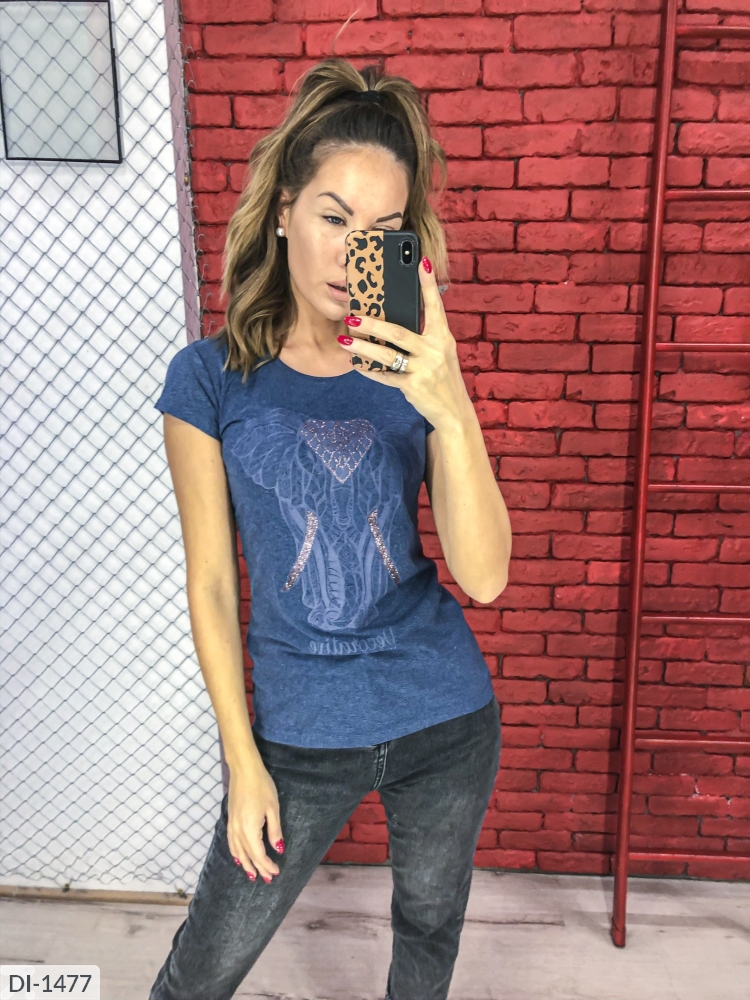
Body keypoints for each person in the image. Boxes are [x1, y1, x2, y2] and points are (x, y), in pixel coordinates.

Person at [148, 57, 512, 1000]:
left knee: (427, 931)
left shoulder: (417, 372)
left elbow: (484, 577)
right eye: (334, 218)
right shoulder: (210, 380)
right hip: (300, 738)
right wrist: (242, 764)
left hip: (444, 715)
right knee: (199, 972)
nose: (354, 253)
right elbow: (213, 584)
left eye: (382, 233)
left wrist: (450, 399)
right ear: (283, 212)